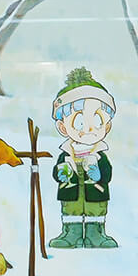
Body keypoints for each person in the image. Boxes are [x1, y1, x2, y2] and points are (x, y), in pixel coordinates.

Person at [49, 67, 118, 249]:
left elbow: (107, 173)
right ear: (63, 127)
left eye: (97, 121)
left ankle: (96, 233)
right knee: (71, 208)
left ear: (107, 126)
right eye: (79, 122)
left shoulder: (100, 155)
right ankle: (71, 233)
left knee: (95, 208)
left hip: (96, 192)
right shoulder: (66, 154)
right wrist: (60, 174)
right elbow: (56, 172)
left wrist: (99, 175)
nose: (88, 129)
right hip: (71, 192)